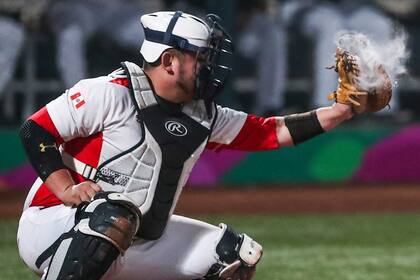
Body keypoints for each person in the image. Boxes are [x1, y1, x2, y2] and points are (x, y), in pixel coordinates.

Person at [17, 11, 358, 280]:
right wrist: (64, 188)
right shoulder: (108, 91)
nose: (210, 66)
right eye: (201, 57)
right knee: (113, 215)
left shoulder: (204, 115)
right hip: (55, 225)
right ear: (169, 61)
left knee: (235, 256)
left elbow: (270, 132)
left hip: (134, 239)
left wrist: (342, 111)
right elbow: (35, 130)